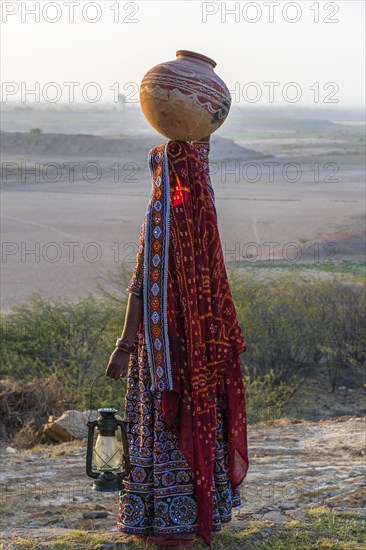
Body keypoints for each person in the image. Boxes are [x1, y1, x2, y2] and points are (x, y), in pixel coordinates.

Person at [106, 136, 248, 548]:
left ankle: (171, 518)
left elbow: (139, 287)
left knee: (164, 421)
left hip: (163, 353)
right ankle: (191, 512)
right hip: (191, 354)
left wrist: (125, 344)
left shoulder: (166, 218)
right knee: (193, 420)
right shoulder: (202, 217)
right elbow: (147, 285)